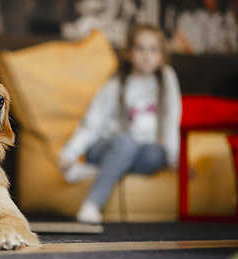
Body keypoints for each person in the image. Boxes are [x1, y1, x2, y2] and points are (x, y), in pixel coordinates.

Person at [58, 24, 182, 224]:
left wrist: (175, 160)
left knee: (157, 154)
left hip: (141, 151)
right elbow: (92, 123)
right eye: (140, 48)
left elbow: (171, 121)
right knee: (126, 142)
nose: (146, 55)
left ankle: (100, 170)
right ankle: (92, 204)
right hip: (105, 147)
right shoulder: (117, 83)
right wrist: (69, 153)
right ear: (128, 53)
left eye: (153, 49)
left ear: (162, 55)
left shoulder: (166, 78)